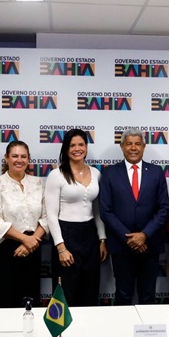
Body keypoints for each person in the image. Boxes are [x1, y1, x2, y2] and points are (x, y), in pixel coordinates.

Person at [99, 128, 169, 305]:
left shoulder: (156, 172)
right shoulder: (109, 173)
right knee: (123, 295)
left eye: (137, 144)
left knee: (148, 296)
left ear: (144, 147)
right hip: (121, 245)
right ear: (122, 146)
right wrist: (129, 239)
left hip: (149, 245)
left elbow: (163, 208)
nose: (133, 148)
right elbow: (106, 211)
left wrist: (144, 235)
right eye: (129, 144)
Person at [44, 128, 107, 306]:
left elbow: (97, 210)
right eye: (72, 145)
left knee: (90, 289)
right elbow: (51, 214)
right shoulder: (56, 175)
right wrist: (61, 248)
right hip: (66, 235)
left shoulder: (96, 174)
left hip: (90, 236)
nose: (77, 149)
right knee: (66, 292)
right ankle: (64, 326)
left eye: (81, 144)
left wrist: (102, 239)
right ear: (66, 149)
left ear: (86, 147)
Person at [0, 141, 48, 308]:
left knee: (30, 304)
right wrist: (25, 240)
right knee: (5, 303)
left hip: (33, 249)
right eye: (15, 156)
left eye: (23, 156)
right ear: (6, 158)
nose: (19, 160)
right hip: (5, 251)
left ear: (28, 159)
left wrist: (31, 241)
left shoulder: (38, 183)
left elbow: (47, 216)